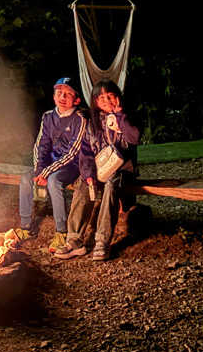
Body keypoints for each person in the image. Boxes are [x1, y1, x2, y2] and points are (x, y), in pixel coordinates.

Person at [55, 78, 140, 262]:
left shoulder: (126, 117)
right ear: (95, 101)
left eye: (110, 96)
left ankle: (102, 241)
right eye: (101, 98)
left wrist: (120, 116)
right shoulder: (92, 123)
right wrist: (88, 175)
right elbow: (85, 153)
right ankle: (74, 240)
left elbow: (134, 138)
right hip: (100, 170)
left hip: (122, 170)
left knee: (111, 185)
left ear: (117, 97)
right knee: (83, 187)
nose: (107, 101)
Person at [16, 76, 86, 252]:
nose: (62, 97)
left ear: (76, 99)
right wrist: (40, 170)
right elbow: (41, 145)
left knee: (55, 181)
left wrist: (47, 172)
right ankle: (26, 227)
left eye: (68, 94)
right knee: (26, 178)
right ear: (54, 96)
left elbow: (73, 152)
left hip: (72, 166)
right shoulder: (48, 116)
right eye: (59, 93)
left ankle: (61, 232)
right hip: (49, 165)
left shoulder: (80, 118)